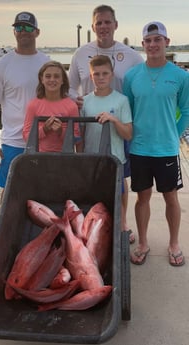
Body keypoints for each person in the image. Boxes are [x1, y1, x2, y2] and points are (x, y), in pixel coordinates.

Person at [68, 4, 143, 244]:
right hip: (90, 128)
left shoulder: (131, 55)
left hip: (119, 128)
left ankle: (122, 222)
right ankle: (95, 222)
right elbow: (69, 86)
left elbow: (139, 85)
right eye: (98, 23)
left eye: (107, 22)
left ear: (115, 25)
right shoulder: (80, 53)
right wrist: (76, 101)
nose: (103, 27)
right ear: (93, 26)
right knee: (93, 183)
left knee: (121, 182)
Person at [123, 21, 189, 266]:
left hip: (167, 150)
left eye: (157, 39)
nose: (153, 44)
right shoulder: (132, 76)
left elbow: (187, 109)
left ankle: (173, 243)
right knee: (143, 198)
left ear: (166, 42)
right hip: (139, 149)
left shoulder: (181, 76)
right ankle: (143, 242)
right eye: (148, 41)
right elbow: (127, 111)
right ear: (143, 45)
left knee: (171, 198)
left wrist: (174, 133)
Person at [0, 11, 50, 201]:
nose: (23, 31)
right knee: (9, 192)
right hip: (13, 142)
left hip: (44, 140)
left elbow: (65, 95)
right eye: (19, 27)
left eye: (28, 27)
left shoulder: (47, 62)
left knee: (43, 191)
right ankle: (6, 230)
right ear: (14, 32)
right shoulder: (2, 65)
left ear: (37, 32)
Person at [80, 55, 132, 230]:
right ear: (91, 76)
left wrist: (114, 120)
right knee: (94, 194)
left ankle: (123, 223)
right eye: (97, 74)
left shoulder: (121, 100)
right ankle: (96, 226)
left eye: (105, 73)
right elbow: (80, 132)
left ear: (111, 75)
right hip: (91, 157)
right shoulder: (85, 101)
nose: (101, 77)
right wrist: (79, 156)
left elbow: (128, 134)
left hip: (115, 157)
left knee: (121, 190)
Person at [23, 61, 81, 152]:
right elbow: (26, 136)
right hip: (39, 158)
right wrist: (44, 130)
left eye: (57, 76)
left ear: (63, 81)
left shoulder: (71, 106)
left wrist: (61, 132)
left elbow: (76, 137)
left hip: (64, 159)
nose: (52, 80)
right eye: (48, 76)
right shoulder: (33, 105)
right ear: (42, 79)